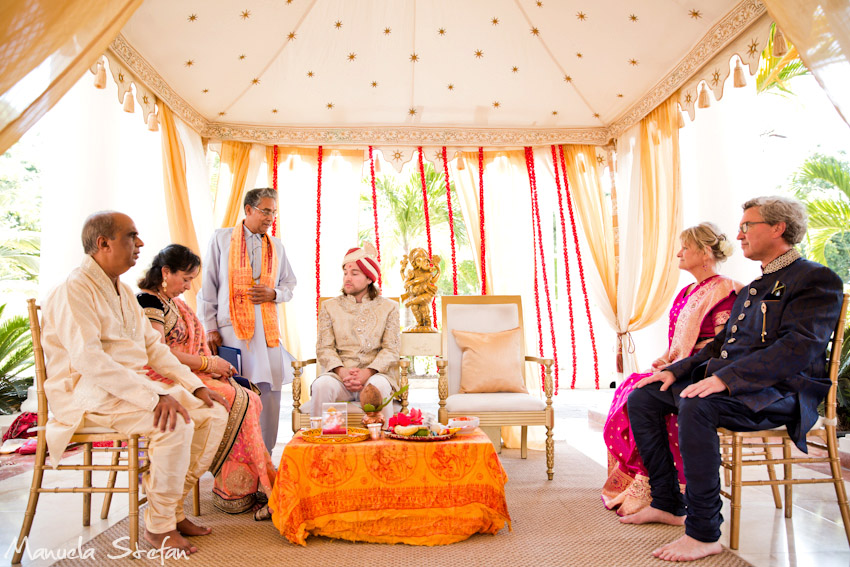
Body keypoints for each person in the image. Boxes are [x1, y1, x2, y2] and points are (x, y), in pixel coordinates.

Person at [622, 196, 844, 562]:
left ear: (777, 228)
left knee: (697, 404)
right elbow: (719, 347)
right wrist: (673, 371)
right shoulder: (757, 285)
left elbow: (799, 348)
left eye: (747, 225)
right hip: (743, 389)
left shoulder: (815, 278)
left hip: (780, 394)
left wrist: (728, 380)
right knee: (645, 396)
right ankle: (667, 502)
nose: (738, 234)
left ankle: (704, 532)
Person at [41, 211, 228, 555]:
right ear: (103, 243)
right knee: (175, 424)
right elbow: (89, 361)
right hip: (88, 394)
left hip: (131, 388)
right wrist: (155, 399)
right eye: (132, 236)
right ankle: (159, 528)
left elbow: (155, 351)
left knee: (212, 412)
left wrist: (195, 386)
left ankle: (170, 509)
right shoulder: (74, 290)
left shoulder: (124, 292)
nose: (140, 244)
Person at [602, 223, 742, 515]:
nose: (679, 253)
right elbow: (677, 342)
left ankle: (662, 491)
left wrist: (677, 368)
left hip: (702, 373)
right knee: (631, 387)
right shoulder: (687, 292)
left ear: (705, 253)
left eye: (686, 248)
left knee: (639, 394)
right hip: (680, 369)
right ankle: (651, 486)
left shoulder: (726, 292)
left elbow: (721, 347)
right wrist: (665, 361)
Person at [137, 244, 276, 519]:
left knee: (249, 396)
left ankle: (247, 483)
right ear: (166, 272)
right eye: (185, 278)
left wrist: (211, 368)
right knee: (237, 400)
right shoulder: (148, 301)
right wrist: (207, 364)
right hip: (163, 379)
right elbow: (157, 353)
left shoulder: (174, 303)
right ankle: (237, 489)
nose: (188, 286)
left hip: (190, 375)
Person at [199, 188, 297, 453]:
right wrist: (209, 326)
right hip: (231, 331)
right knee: (236, 390)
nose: (270, 218)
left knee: (269, 392)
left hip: (267, 332)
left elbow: (289, 284)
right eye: (266, 211)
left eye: (274, 212)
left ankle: (264, 457)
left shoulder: (276, 246)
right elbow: (208, 285)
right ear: (249, 210)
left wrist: (273, 293)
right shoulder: (221, 240)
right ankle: (234, 462)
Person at [309, 243, 401, 426]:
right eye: (345, 273)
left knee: (379, 386)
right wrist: (342, 372)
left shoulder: (389, 308)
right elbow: (324, 348)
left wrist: (368, 372)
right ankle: (319, 444)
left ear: (369, 278)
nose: (347, 278)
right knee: (322, 385)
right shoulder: (330, 307)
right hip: (339, 377)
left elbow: (391, 349)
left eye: (354, 273)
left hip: (375, 374)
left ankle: (386, 444)